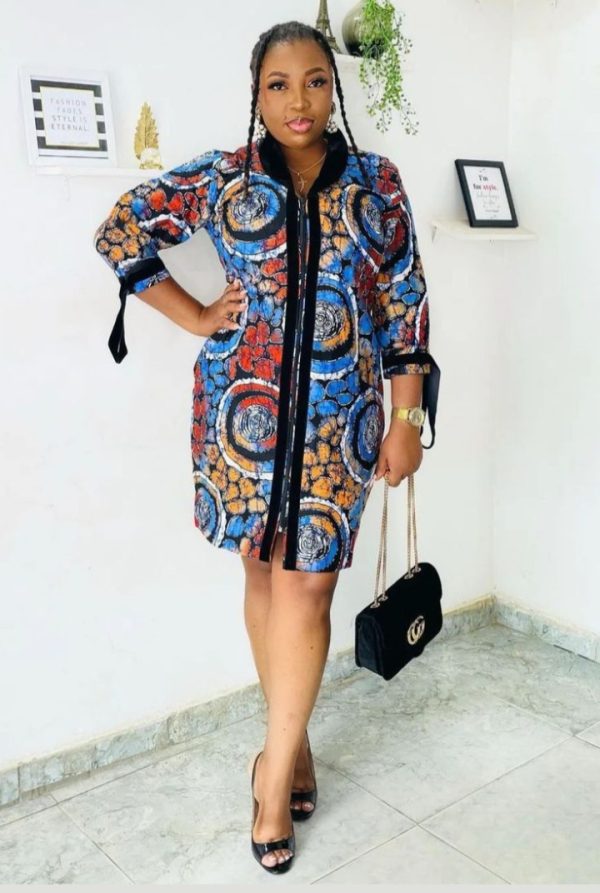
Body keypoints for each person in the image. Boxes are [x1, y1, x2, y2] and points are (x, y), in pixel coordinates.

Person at [93, 19, 440, 875]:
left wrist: (406, 423)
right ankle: (295, 743)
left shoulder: (378, 184)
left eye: (315, 80)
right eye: (279, 84)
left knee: (309, 590)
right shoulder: (225, 178)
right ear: (257, 93)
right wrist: (195, 315)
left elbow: (406, 305)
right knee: (261, 574)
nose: (299, 100)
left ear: (335, 88)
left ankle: (271, 778)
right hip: (240, 422)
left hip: (337, 426)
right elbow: (122, 230)